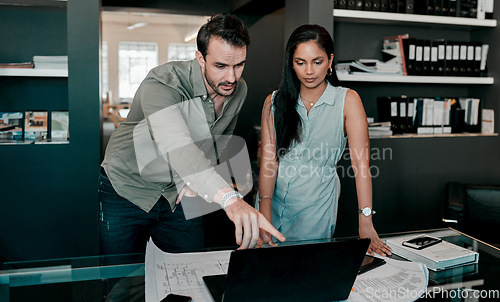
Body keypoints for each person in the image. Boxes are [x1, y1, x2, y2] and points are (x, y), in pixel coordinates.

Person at [99, 14, 285, 257]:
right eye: (221, 66)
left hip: (180, 194)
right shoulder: (163, 83)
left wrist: (190, 181)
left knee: (190, 272)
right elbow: (177, 146)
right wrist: (231, 199)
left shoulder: (239, 90)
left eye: (239, 64)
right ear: (200, 58)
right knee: (121, 283)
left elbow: (219, 141)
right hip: (127, 189)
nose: (232, 77)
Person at [257, 24, 391, 256]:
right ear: (291, 62)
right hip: (272, 203)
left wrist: (366, 222)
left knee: (306, 271)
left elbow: (361, 168)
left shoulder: (348, 100)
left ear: (330, 61)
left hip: (316, 206)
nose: (309, 71)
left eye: (317, 62)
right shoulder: (275, 101)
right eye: (300, 62)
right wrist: (264, 212)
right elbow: (269, 161)